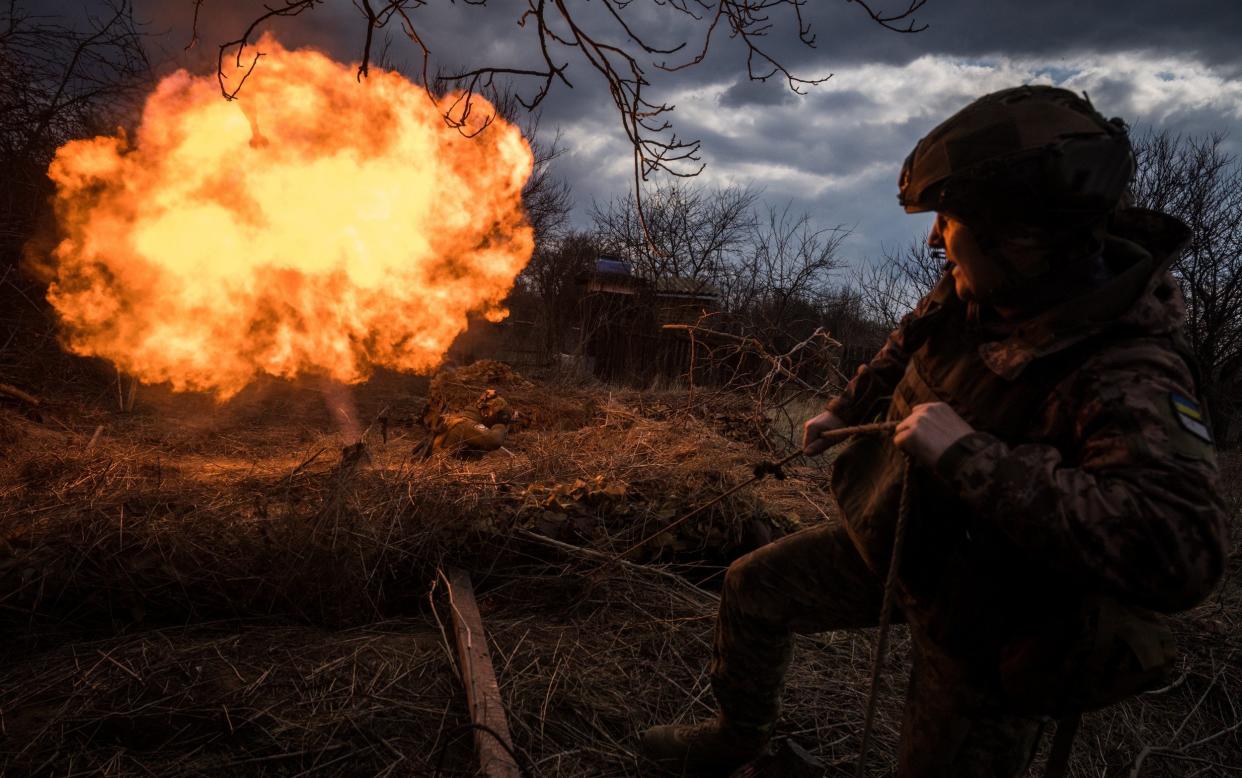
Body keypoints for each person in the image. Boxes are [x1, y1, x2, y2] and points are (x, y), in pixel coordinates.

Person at [639, 86, 1230, 777]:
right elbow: (906, 343)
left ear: (1018, 237)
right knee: (754, 586)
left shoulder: (1127, 365)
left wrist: (971, 457)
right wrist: (843, 406)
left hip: (989, 624)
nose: (932, 239)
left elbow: (1182, 552)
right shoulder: (980, 286)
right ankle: (734, 738)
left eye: (948, 219)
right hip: (901, 539)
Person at [420, 388, 513, 456]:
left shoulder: (461, 420)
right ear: (486, 411)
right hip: (443, 472)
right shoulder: (466, 424)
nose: (497, 418)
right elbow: (494, 441)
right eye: (497, 415)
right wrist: (500, 424)